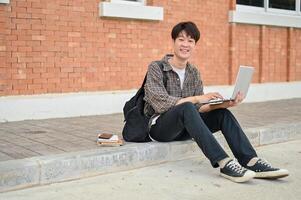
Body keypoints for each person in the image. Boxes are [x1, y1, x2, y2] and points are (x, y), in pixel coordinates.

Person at [143, 21, 289, 183]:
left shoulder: (193, 72)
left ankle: (250, 161)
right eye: (181, 39)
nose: (185, 44)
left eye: (190, 41)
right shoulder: (156, 67)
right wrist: (197, 98)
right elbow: (160, 103)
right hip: (160, 129)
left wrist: (223, 104)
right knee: (187, 107)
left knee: (221, 114)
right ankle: (224, 163)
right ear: (173, 42)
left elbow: (198, 109)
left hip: (186, 128)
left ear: (195, 45)